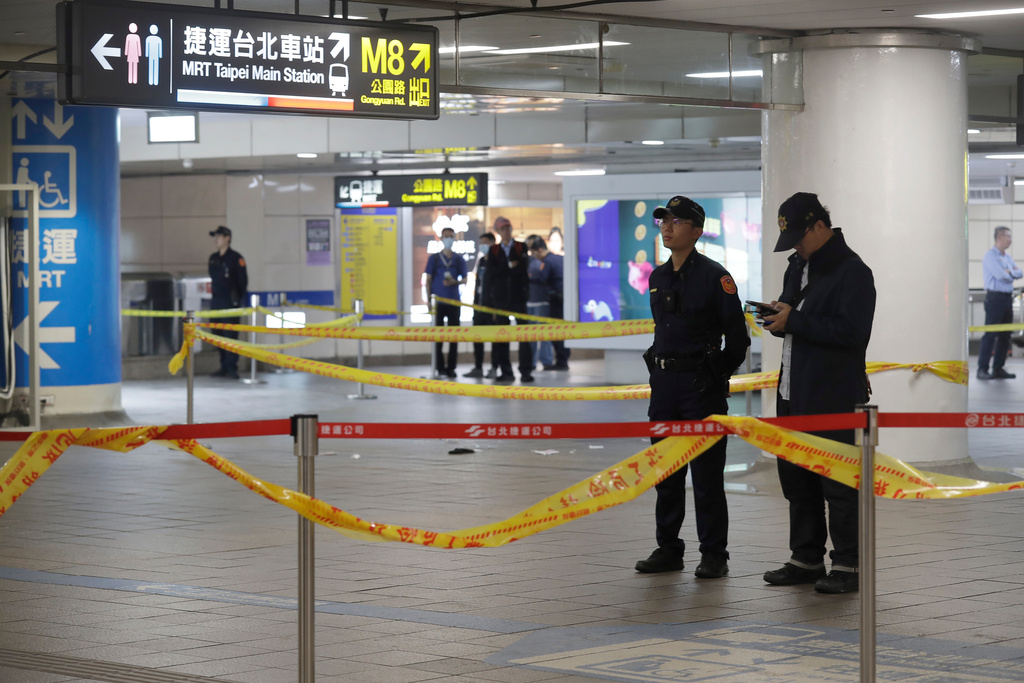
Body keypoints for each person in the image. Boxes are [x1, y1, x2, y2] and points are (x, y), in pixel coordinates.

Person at [759, 192, 876, 594]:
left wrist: (798, 321)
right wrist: (779, 317)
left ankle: (847, 565)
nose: (795, 246)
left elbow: (852, 333)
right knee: (797, 478)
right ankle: (805, 558)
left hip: (832, 393)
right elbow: (798, 321)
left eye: (799, 237)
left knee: (839, 482)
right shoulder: (798, 266)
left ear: (820, 226)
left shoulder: (853, 271)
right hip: (793, 388)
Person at [635, 195, 749, 579]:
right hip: (665, 386)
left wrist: (716, 374)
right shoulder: (658, 277)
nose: (667, 226)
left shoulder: (716, 277)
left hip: (701, 387)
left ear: (697, 231)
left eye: (677, 221)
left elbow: (738, 341)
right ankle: (668, 548)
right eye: (664, 220)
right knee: (665, 473)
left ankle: (714, 554)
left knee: (706, 477)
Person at [484, 217, 533, 383]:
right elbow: (491, 274)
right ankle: (506, 371)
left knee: (524, 336)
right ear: (498, 231)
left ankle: (526, 371)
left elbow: (523, 269)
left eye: (508, 228)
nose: (506, 231)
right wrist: (510, 266)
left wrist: (508, 268)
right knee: (501, 336)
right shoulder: (494, 250)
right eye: (503, 229)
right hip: (500, 300)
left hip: (519, 298)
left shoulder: (521, 246)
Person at [977, 226, 1022, 380]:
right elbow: (1001, 275)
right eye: (1008, 236)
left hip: (1007, 298)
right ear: (1000, 237)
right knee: (990, 334)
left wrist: (1010, 273)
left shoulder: (1007, 258)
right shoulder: (990, 256)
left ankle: (998, 368)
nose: (1011, 240)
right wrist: (1010, 273)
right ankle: (982, 369)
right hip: (995, 298)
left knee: (1005, 335)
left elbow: (1020, 272)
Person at [424, 226, 467, 378]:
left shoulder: (458, 259)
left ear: (454, 238)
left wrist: (455, 282)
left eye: (451, 236)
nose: (448, 239)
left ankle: (451, 368)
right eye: (445, 236)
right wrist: (428, 300)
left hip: (454, 302)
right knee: (439, 337)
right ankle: (440, 368)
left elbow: (465, 279)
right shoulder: (434, 259)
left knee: (454, 337)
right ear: (441, 239)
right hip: (439, 303)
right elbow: (428, 280)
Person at [208, 225, 248, 379]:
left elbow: (242, 282)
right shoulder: (213, 258)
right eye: (215, 237)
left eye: (218, 236)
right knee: (217, 334)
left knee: (230, 335)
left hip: (230, 302)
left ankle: (232, 367)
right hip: (216, 301)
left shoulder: (236, 259)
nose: (215, 240)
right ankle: (223, 365)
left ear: (227, 238)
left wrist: (236, 299)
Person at [528, 236, 570, 370]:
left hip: (555, 300)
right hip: (565, 299)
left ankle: (561, 362)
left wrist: (530, 277)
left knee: (556, 333)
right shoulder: (560, 258)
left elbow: (542, 278)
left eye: (534, 253)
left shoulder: (547, 262)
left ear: (540, 250)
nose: (534, 256)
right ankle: (562, 360)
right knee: (563, 331)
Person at [464, 232, 500, 378]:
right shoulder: (482, 262)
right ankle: (478, 367)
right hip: (478, 306)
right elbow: (478, 284)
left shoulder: (497, 261)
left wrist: (495, 309)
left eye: (486, 243)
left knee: (494, 340)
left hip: (491, 308)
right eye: (481, 243)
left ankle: (494, 368)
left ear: (492, 243)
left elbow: (497, 286)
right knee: (477, 338)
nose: (483, 246)